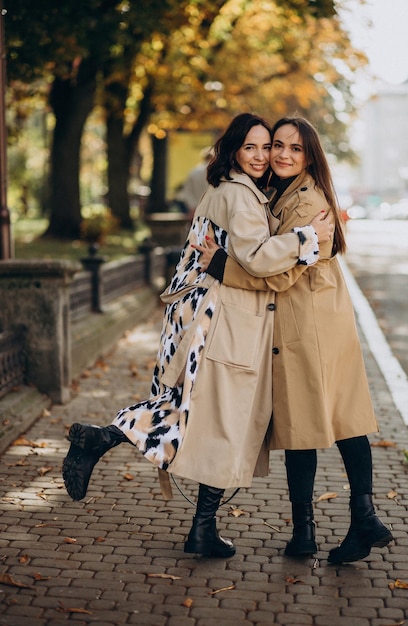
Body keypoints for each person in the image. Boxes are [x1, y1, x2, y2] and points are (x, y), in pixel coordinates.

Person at [62, 113, 332, 559]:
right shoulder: (241, 197)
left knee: (209, 421)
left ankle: (198, 526)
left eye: (267, 148)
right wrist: (309, 238)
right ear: (233, 150)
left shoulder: (226, 187)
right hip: (226, 322)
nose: (264, 156)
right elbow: (260, 259)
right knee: (218, 423)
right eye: (252, 147)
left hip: (211, 317)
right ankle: (105, 438)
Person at [194, 115, 394, 564]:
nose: (281, 154)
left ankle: (345, 524)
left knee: (331, 422)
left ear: (309, 157)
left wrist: (222, 266)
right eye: (276, 145)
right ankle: (332, 527)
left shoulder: (308, 205)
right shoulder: (276, 192)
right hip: (311, 321)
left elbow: (281, 274)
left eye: (294, 149)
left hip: (310, 323)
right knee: (320, 424)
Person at [173, 147, 213, 218]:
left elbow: (187, 192)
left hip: (196, 208)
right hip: (211, 208)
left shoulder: (194, 171)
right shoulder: (216, 171)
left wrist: (192, 207)